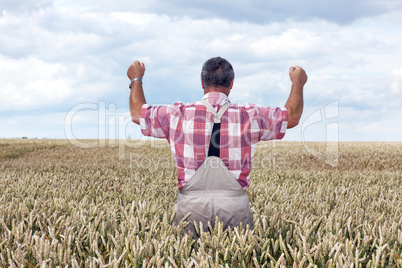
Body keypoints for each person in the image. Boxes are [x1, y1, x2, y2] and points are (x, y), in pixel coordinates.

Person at [127, 57, 307, 239]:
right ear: (232, 83)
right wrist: (297, 82)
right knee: (238, 258)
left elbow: (137, 113)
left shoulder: (177, 114)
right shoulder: (250, 115)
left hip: (191, 207)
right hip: (235, 207)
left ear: (201, 82)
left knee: (187, 256)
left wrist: (136, 79)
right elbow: (291, 117)